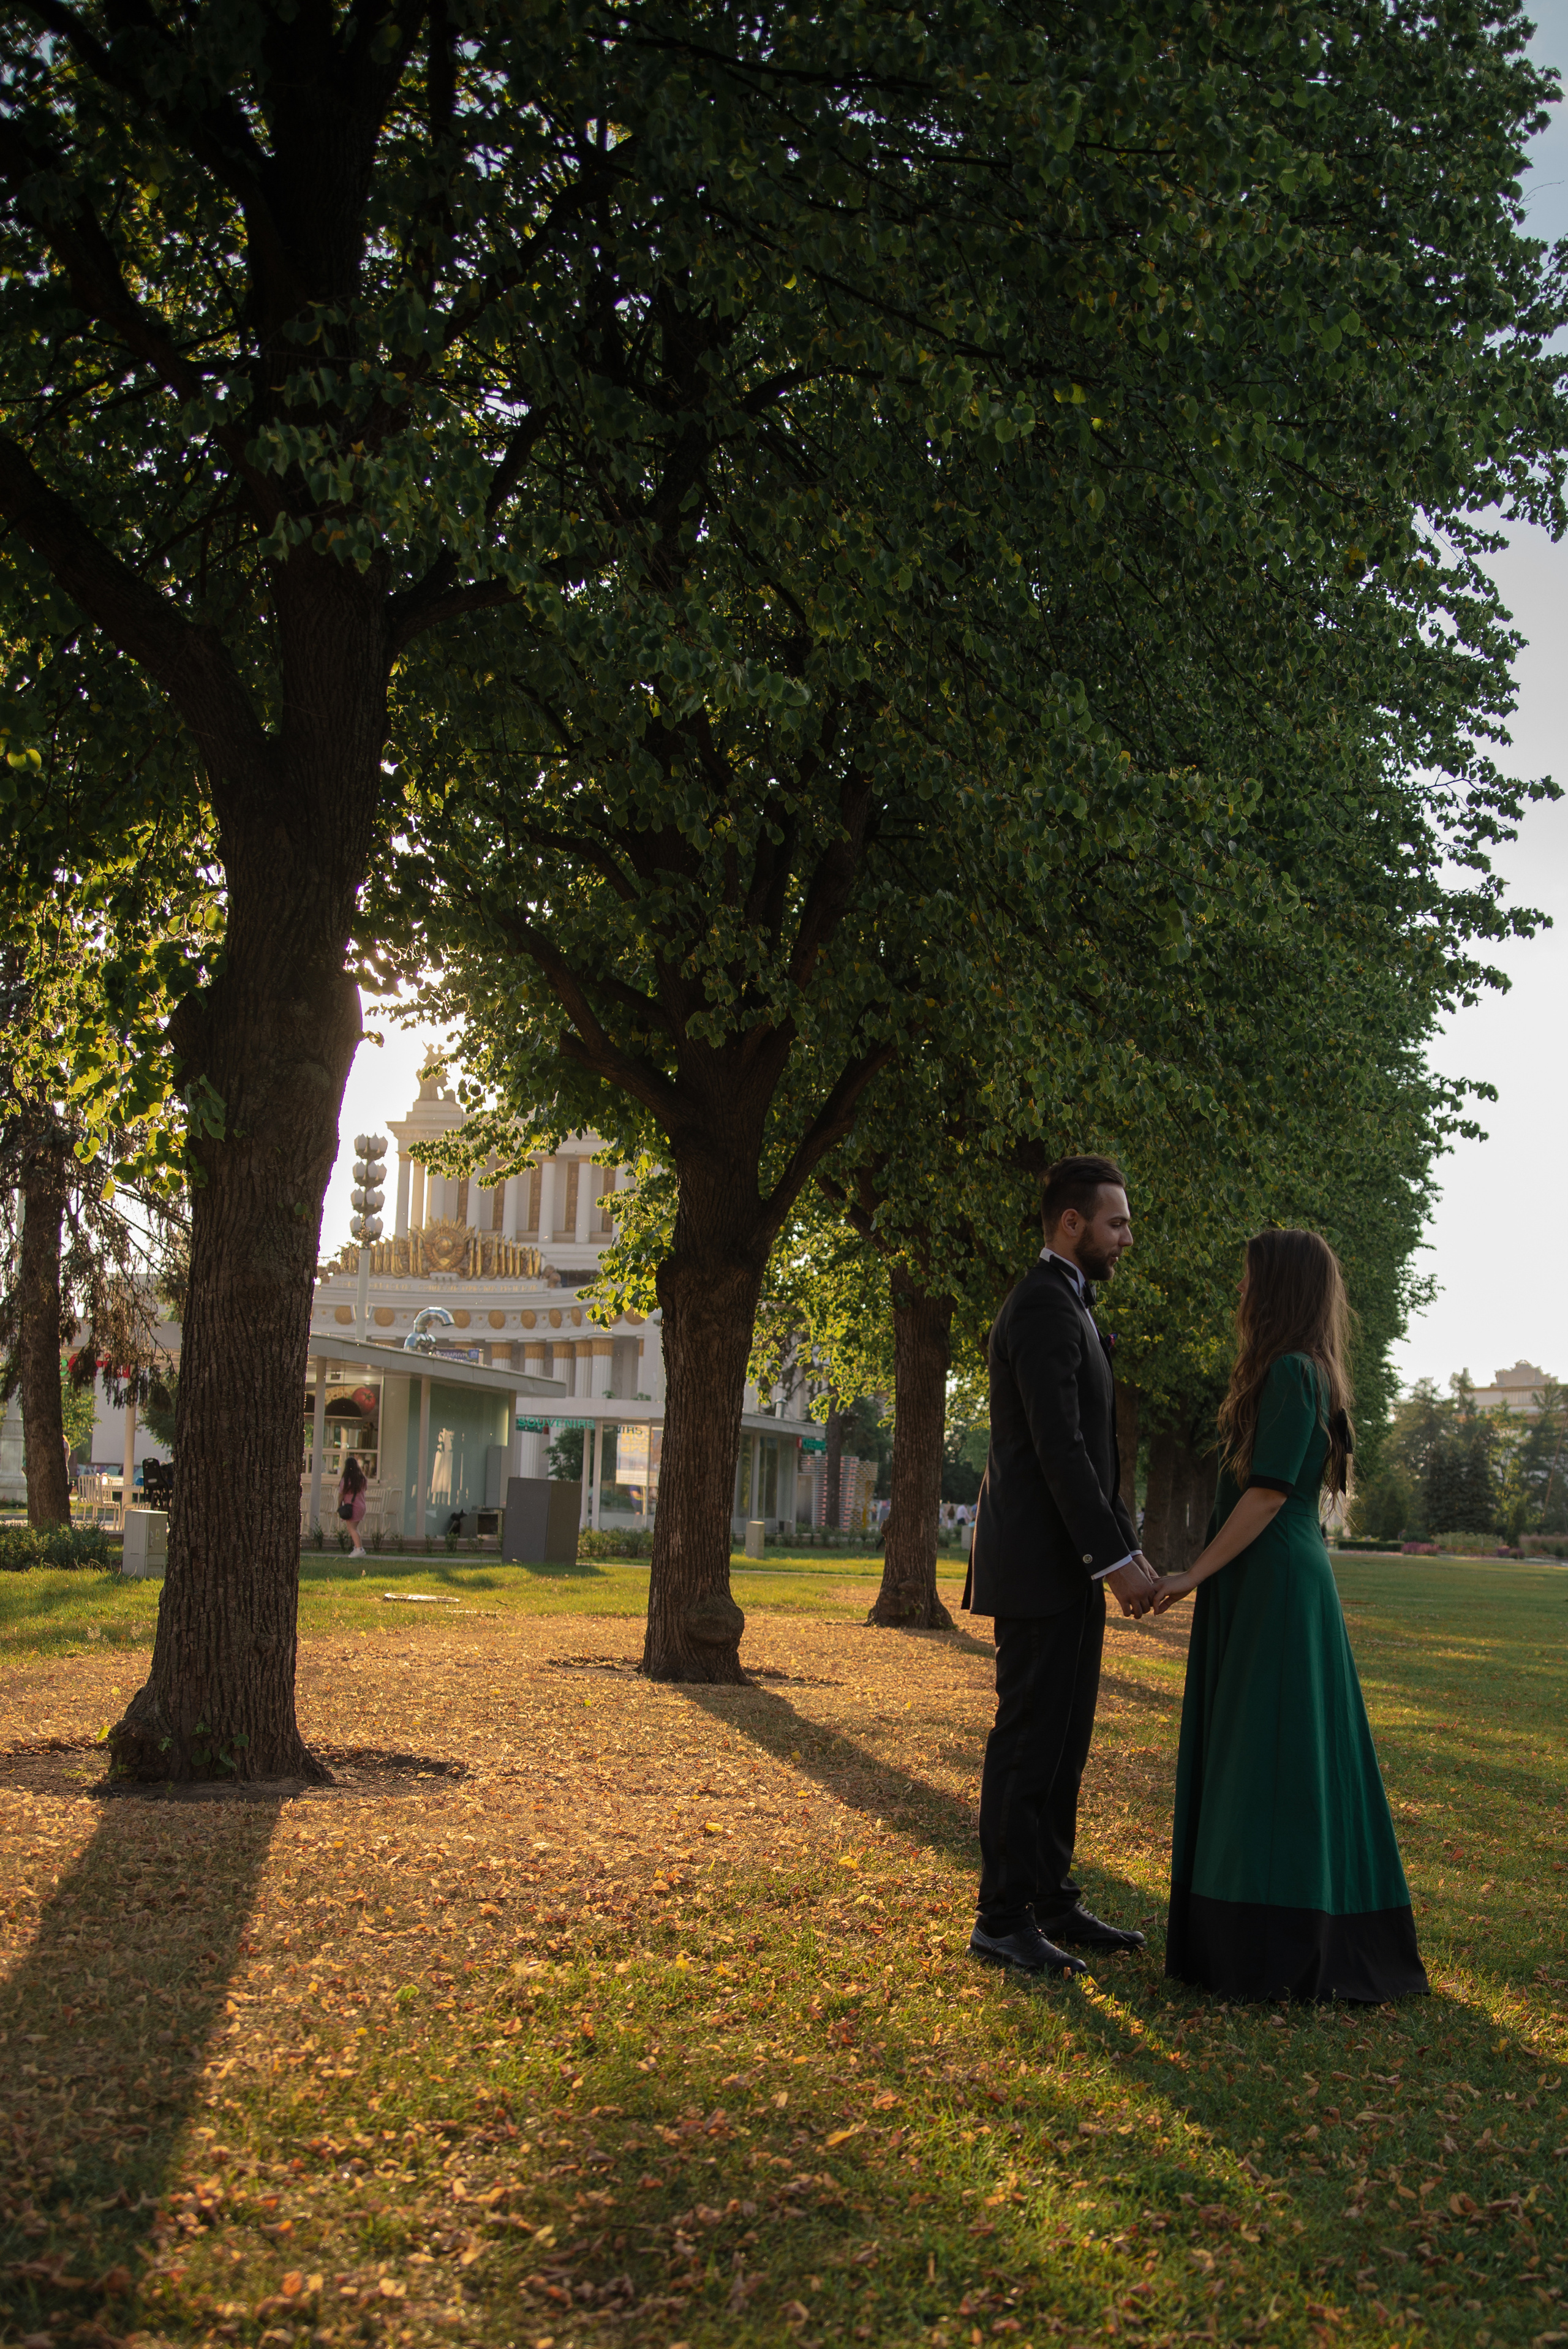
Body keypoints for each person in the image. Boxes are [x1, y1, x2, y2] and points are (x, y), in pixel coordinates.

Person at [1152, 1229, 1428, 2003]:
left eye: (1248, 1283)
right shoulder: (1309, 1373)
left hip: (1271, 1578)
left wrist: (1189, 1575)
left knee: (1267, 1756)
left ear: (1274, 1291)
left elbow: (1268, 1494)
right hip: (1283, 1578)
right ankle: (1285, 1934)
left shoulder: (1287, 1373)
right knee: (1285, 1753)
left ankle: (1268, 1947)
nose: (1238, 1296)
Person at [965, 1154, 1159, 1975]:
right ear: (1071, 1224)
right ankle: (1001, 1918)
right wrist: (1112, 1560)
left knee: (1065, 1740)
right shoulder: (1044, 1305)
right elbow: (1060, 1451)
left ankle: (1049, 1898)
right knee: (1029, 1740)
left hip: (1069, 1567)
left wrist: (1128, 1547)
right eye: (1115, 1222)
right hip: (1042, 1567)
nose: (1125, 1237)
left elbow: (1096, 1458)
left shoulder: (1069, 1305)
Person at [338, 1453, 369, 1559]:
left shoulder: (346, 1480)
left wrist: (339, 1506)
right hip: (362, 1506)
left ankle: (359, 1549)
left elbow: (341, 1494)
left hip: (352, 1507)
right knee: (354, 1528)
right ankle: (357, 1548)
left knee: (352, 1528)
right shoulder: (362, 1479)